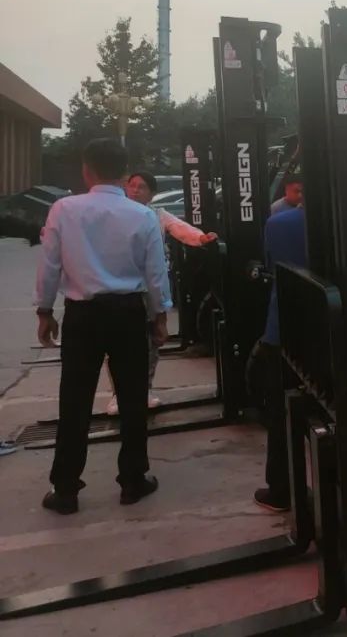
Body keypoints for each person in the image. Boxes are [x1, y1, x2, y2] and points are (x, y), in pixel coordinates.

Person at [35, 139, 170, 515]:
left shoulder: (64, 210)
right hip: (128, 314)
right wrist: (159, 316)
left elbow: (50, 264)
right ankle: (133, 480)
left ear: (87, 170)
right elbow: (155, 273)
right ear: (125, 173)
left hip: (82, 316)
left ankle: (65, 489)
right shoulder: (142, 215)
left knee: (74, 400)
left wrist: (45, 311)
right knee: (133, 399)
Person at [109, 171, 217, 414]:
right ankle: (118, 395)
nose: (135, 190)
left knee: (151, 344)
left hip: (150, 289)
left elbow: (179, 228)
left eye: (142, 187)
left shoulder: (157, 215)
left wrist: (200, 238)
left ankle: (145, 389)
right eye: (132, 185)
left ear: (151, 194)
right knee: (118, 346)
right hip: (122, 287)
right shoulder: (115, 213)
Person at [250, 204, 307, 512]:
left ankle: (281, 489)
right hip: (335, 332)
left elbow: (272, 268)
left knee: (280, 413)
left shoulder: (279, 224)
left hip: (283, 329)